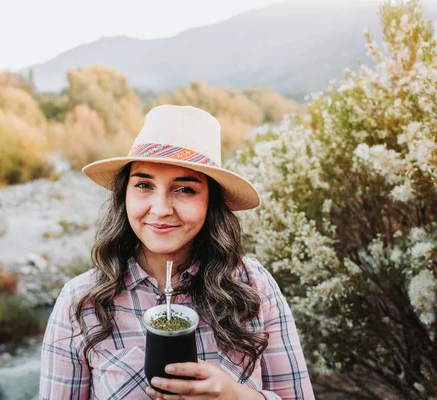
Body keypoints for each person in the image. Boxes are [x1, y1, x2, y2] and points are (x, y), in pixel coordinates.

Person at [39, 105, 315, 399]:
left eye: (184, 189)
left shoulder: (255, 286)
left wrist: (237, 397)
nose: (160, 210)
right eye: (144, 185)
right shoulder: (80, 302)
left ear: (211, 201)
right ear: (124, 195)